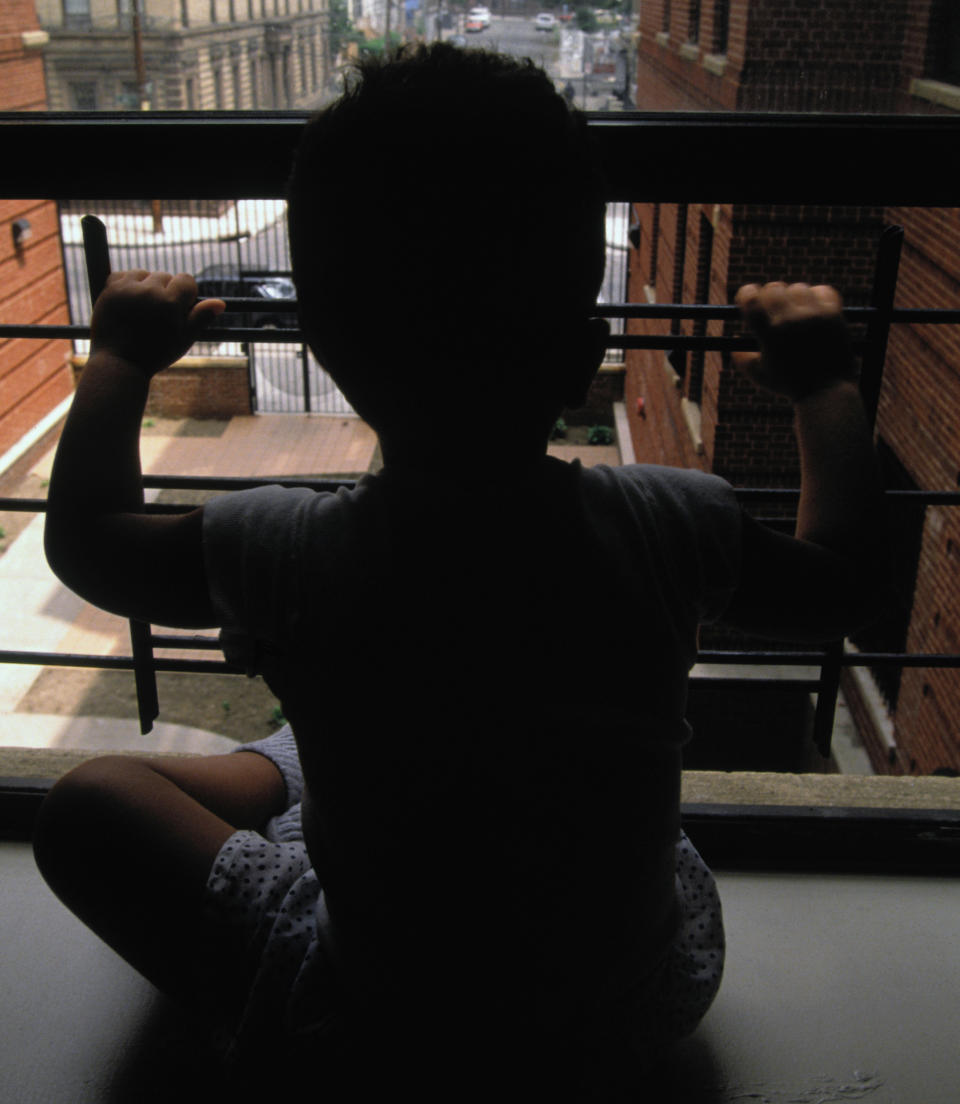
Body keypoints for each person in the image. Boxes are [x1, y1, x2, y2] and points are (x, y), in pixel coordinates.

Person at [33, 44, 884, 1102]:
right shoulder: (674, 522)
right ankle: (302, 770)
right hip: (626, 1010)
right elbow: (837, 579)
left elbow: (90, 543)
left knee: (91, 804)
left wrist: (117, 357)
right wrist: (825, 386)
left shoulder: (289, 550)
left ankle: (290, 772)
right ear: (583, 352)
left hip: (387, 1030)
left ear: (328, 351)